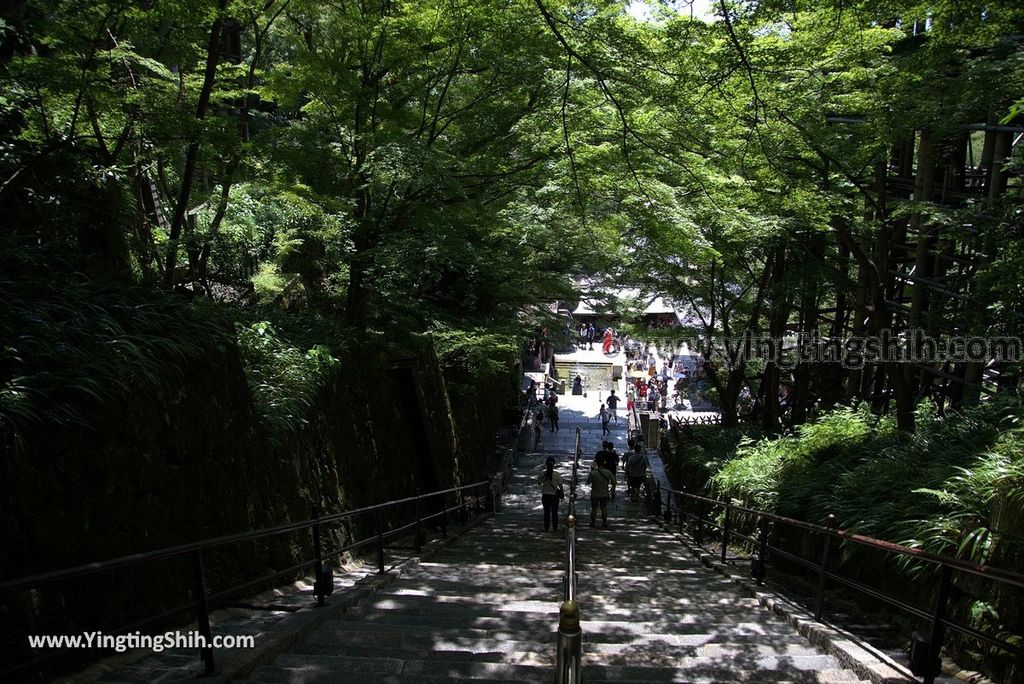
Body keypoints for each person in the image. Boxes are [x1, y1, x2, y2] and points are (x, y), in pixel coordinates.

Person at [538, 457, 564, 532]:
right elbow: (560, 486)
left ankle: (546, 527)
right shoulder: (557, 474)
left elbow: (539, 483)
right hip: (554, 496)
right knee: (554, 512)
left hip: (545, 495)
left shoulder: (542, 474)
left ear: (546, 464)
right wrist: (562, 493)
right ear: (554, 464)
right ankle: (555, 527)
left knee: (546, 512)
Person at [587, 458, 614, 527]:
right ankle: (604, 522)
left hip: (595, 493)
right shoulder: (608, 472)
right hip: (604, 493)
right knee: (604, 508)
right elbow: (614, 482)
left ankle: (593, 522)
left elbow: (588, 482)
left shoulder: (593, 473)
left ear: (597, 464)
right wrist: (611, 490)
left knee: (594, 508)